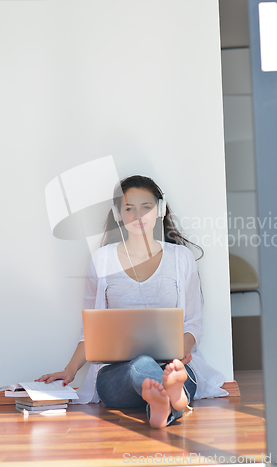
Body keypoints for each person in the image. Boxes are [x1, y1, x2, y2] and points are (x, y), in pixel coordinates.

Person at [36, 175, 228, 428]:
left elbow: (193, 324)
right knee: (141, 366)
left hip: (174, 366)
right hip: (119, 375)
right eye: (129, 208)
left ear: (159, 209)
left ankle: (162, 407)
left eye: (146, 207)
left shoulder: (181, 258)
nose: (138, 216)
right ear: (119, 214)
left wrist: (181, 348)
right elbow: (91, 331)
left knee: (171, 373)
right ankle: (175, 399)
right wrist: (70, 370)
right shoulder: (102, 260)